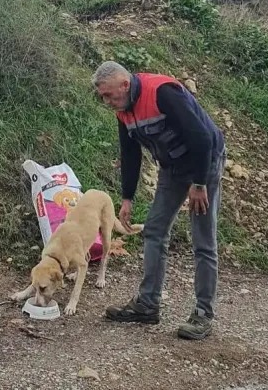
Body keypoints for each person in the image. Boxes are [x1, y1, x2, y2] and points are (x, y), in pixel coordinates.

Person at [93, 61, 226, 340]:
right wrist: (127, 197)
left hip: (205, 162)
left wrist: (199, 184)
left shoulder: (162, 92)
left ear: (124, 85)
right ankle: (147, 305)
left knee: (202, 240)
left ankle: (203, 314)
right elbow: (130, 153)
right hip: (173, 168)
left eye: (108, 95)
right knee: (154, 231)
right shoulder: (123, 110)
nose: (106, 102)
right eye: (102, 97)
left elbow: (202, 137)